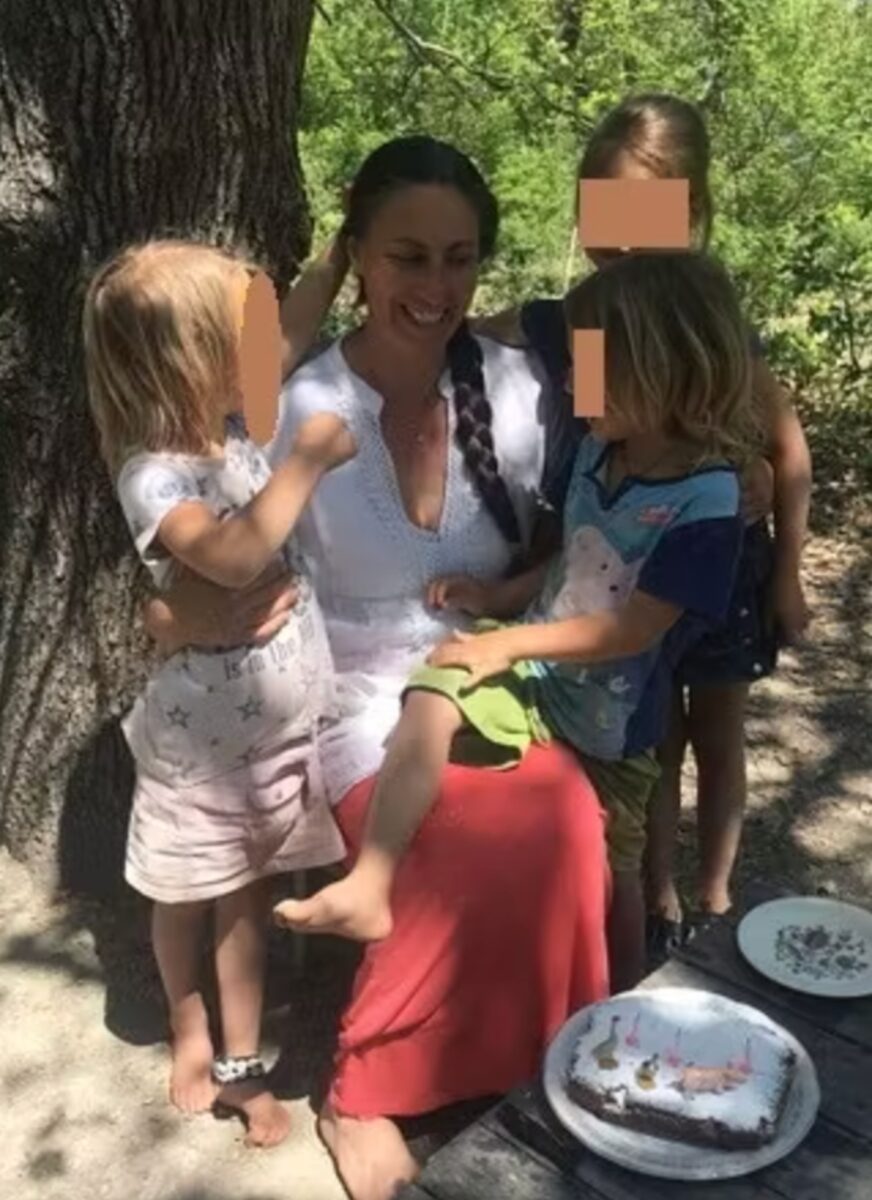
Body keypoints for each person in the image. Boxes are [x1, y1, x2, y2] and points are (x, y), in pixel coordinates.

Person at [143, 138, 610, 1200]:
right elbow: (195, 552)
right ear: (356, 254)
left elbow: (645, 399)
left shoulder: (521, 384)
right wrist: (172, 614)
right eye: (407, 256)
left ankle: (530, 1059)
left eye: (458, 259)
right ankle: (365, 1088)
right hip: (342, 683)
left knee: (564, 819)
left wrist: (751, 470)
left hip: (483, 663)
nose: (436, 287)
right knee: (450, 840)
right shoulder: (286, 399)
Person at [276, 249, 754, 993]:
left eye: (589, 366)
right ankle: (372, 880)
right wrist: (498, 597)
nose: (566, 382)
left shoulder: (708, 501)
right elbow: (574, 559)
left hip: (613, 725)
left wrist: (510, 643)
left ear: (662, 368)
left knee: (612, 872)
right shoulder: (601, 450)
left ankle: (623, 999)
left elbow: (634, 627)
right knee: (435, 685)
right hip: (540, 674)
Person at [476, 93, 812, 956]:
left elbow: (782, 445)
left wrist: (787, 572)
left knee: (719, 728)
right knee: (652, 733)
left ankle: (715, 895)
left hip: (717, 561)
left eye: (643, 218)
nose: (620, 243)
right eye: (605, 216)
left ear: (689, 211)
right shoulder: (588, 318)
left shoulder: (708, 320)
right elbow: (602, 430)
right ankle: (656, 893)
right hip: (623, 557)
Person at [83, 241, 355, 1146]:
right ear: (189, 360)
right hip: (201, 755)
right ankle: (186, 1016)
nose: (264, 356)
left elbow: (293, 334)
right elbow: (234, 558)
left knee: (247, 902)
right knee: (185, 896)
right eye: (242, 341)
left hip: (270, 744)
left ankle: (241, 1065)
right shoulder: (154, 473)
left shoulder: (230, 424)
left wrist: (338, 257)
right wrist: (306, 460)